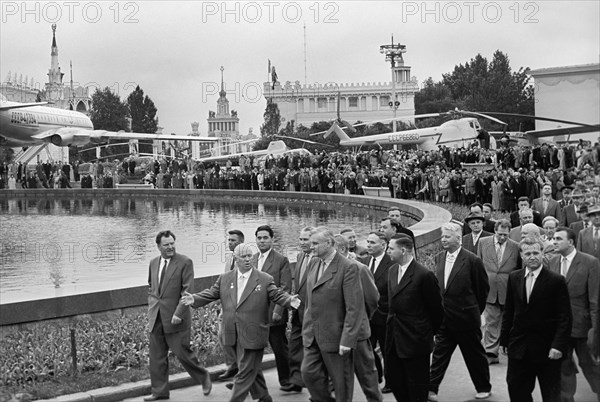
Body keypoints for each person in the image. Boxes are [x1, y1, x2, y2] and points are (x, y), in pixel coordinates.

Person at [178, 243, 300, 402]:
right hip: (232, 333)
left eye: (250, 256)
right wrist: (194, 298)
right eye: (243, 256)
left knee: (245, 372)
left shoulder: (264, 279)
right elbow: (212, 293)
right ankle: (264, 397)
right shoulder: (225, 278)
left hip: (254, 333)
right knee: (249, 368)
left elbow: (277, 294)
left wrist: (289, 300)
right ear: (235, 259)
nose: (248, 259)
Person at [500, 237, 572, 402]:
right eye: (528, 253)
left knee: (551, 393)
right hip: (519, 348)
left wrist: (558, 345)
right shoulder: (514, 277)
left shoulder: (556, 280)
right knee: (516, 388)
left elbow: (564, 316)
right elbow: (509, 311)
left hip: (547, 350)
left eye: (535, 253)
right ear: (522, 256)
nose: (532, 256)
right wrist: (504, 340)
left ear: (542, 254)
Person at [301, 227, 367, 402]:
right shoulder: (314, 262)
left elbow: (354, 307)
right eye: (310, 242)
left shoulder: (348, 267)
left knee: (341, 385)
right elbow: (310, 299)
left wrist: (347, 339)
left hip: (337, 337)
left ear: (329, 243)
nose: (311, 246)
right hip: (313, 335)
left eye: (315, 243)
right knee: (309, 374)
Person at [144, 230, 211, 401]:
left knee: (182, 353)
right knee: (156, 356)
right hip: (156, 317)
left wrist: (178, 313)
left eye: (172, 243)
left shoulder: (185, 262)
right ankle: (159, 392)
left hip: (176, 318)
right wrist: (152, 309)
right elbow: (152, 287)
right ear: (158, 246)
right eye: (166, 244)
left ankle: (203, 377)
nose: (170, 247)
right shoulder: (153, 263)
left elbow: (187, 291)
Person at [428, 223, 491, 402]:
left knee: (474, 356)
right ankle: (431, 389)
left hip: (466, 319)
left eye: (447, 237)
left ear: (458, 238)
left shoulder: (472, 260)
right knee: (439, 355)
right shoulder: (440, 258)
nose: (443, 240)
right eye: (442, 237)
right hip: (445, 319)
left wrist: (474, 311)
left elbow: (482, 290)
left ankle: (484, 387)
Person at [386, 234, 443, 402]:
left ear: (403, 250)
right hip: (394, 339)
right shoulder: (392, 271)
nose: (387, 251)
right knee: (395, 381)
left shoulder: (424, 275)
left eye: (391, 248)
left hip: (415, 341)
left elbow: (436, 311)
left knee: (417, 387)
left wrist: (424, 332)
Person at [549, 227, 600, 401]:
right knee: (563, 365)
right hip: (560, 327)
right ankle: (566, 398)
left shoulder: (589, 262)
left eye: (558, 239)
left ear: (570, 242)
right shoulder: (553, 262)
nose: (554, 241)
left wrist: (595, 330)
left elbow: (595, 299)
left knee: (589, 365)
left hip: (583, 327)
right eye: (553, 239)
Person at [334, 234, 382, 402]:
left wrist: (362, 318)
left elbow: (372, 299)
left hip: (359, 333)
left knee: (367, 374)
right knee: (342, 378)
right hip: (340, 332)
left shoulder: (360, 269)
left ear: (341, 249)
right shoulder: (331, 268)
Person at [252, 225, 292, 390]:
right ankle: (248, 381)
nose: (262, 241)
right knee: (251, 350)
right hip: (253, 314)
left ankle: (287, 379)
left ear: (272, 239)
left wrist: (278, 310)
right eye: (259, 238)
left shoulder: (281, 260)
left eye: (265, 238)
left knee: (279, 347)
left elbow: (285, 287)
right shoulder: (252, 259)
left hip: (272, 314)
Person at [477, 219, 521, 365]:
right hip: (489, 289)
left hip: (509, 288)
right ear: (495, 231)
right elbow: (479, 266)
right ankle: (490, 352)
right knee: (491, 321)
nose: (502, 237)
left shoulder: (516, 246)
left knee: (509, 321)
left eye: (506, 235)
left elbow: (518, 269)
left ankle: (508, 348)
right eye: (500, 234)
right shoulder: (483, 243)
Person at [362, 231, 394, 393]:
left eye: (372, 243)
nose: (368, 245)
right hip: (367, 316)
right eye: (367, 242)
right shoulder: (365, 261)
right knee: (367, 349)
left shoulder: (392, 263)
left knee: (387, 351)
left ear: (384, 245)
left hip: (385, 315)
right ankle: (378, 374)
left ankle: (390, 381)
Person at [287, 226, 317, 393]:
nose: (302, 243)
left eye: (306, 240)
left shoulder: (319, 259)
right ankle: (297, 380)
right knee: (295, 345)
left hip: (313, 312)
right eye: (300, 239)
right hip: (298, 310)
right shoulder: (300, 256)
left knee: (313, 348)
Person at [218, 229, 245, 382]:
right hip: (227, 304)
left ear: (241, 242)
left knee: (239, 341)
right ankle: (232, 365)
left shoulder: (247, 260)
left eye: (233, 240)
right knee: (222, 335)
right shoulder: (229, 258)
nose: (230, 243)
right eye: (229, 240)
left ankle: (241, 373)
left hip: (240, 306)